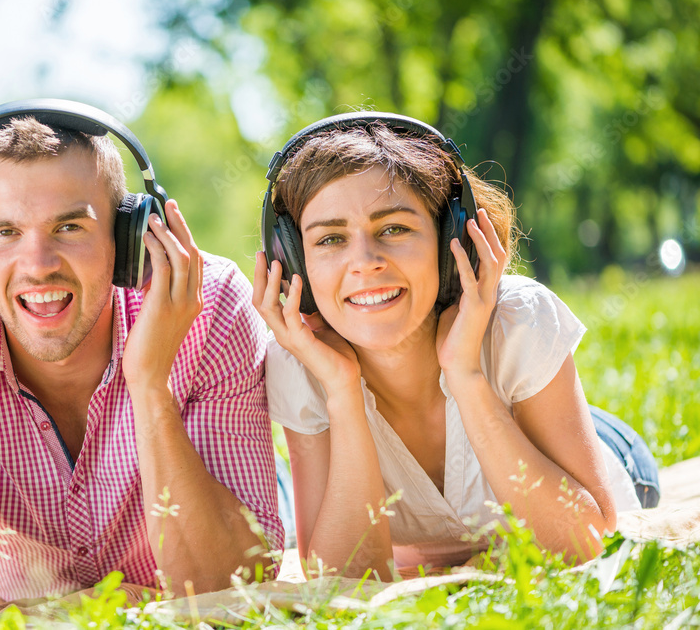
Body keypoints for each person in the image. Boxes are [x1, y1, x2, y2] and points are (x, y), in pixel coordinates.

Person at [0, 102, 283, 613]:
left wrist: (148, 386)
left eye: (69, 227)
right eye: (5, 232)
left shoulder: (208, 304)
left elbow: (235, 586)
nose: (38, 266)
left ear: (128, 241)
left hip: (211, 518)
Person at [253, 111, 659, 581]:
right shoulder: (299, 362)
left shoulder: (517, 317)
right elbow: (341, 583)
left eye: (394, 229)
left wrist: (465, 375)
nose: (364, 262)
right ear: (292, 259)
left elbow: (584, 543)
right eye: (330, 239)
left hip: (604, 450)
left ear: (453, 237)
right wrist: (343, 392)